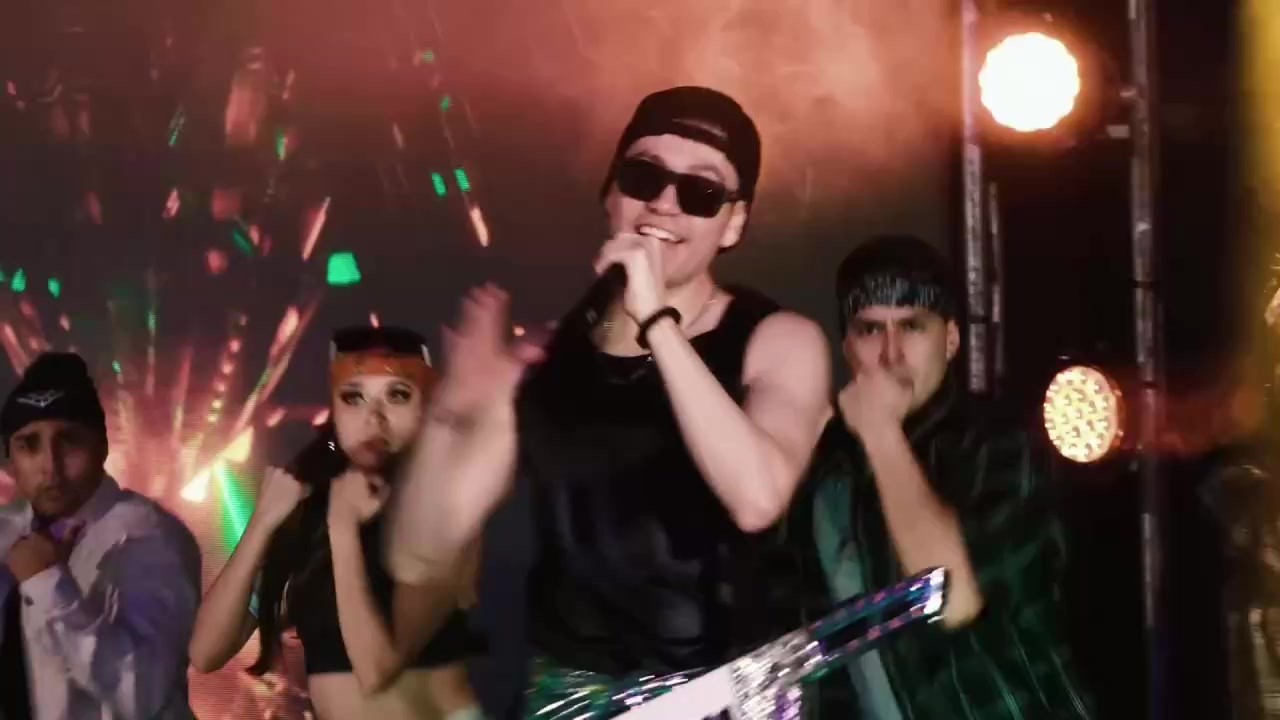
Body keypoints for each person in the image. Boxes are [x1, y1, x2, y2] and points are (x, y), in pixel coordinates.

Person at [386, 86, 832, 717]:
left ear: (733, 223)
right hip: (571, 700)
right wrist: (449, 415)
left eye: (700, 191)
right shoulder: (549, 361)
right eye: (644, 175)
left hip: (729, 701)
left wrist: (656, 321)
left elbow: (757, 497)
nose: (665, 202)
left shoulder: (777, 341)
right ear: (611, 193)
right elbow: (418, 555)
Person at [792, 235, 1094, 718]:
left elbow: (952, 597)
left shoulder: (998, 442)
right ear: (847, 346)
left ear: (951, 340)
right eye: (870, 329)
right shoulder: (829, 469)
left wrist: (881, 431)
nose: (891, 354)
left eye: (913, 326)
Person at [186, 326, 484, 720]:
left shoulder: (451, 505)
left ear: (425, 406)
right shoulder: (311, 515)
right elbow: (206, 653)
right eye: (353, 397)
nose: (374, 418)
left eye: (397, 395)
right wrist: (262, 522)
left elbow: (375, 670)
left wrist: (342, 526)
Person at [0, 352, 202, 719]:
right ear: (10, 461)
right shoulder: (7, 532)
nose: (50, 466)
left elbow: (143, 693)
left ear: (102, 446)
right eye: (29, 445)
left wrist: (47, 585)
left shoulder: (148, 537)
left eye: (69, 441)